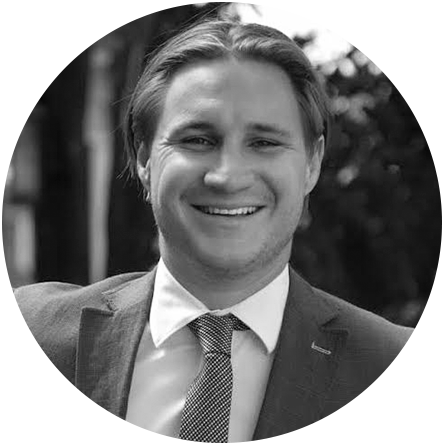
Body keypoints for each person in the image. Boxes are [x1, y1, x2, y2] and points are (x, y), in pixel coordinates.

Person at [1, 18, 443, 444]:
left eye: (264, 143)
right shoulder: (18, 339)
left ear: (312, 163)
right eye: (198, 140)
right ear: (144, 159)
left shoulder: (404, 380)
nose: (228, 176)